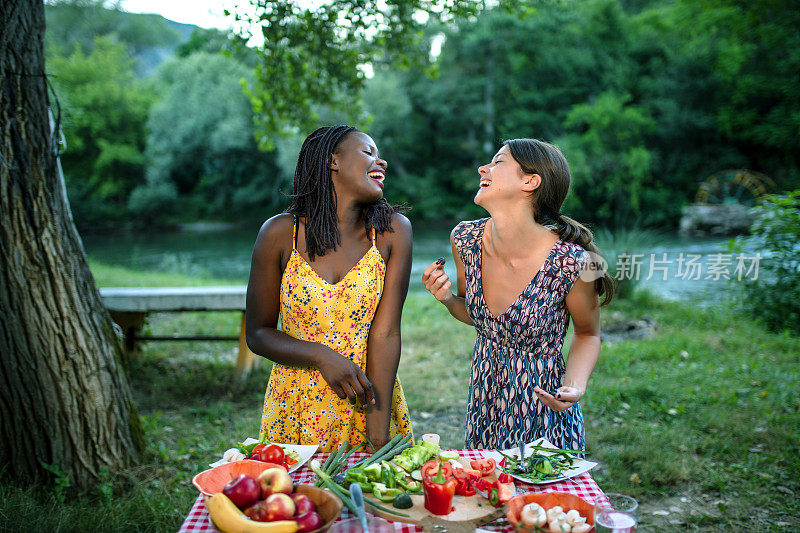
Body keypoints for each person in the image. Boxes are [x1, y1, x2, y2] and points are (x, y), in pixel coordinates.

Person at [421, 138, 613, 451]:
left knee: (541, 497)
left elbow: (588, 334)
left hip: (545, 409)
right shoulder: (465, 239)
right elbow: (476, 315)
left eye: (498, 161)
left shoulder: (575, 262)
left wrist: (575, 387)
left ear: (529, 181)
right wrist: (446, 300)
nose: (483, 167)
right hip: (485, 403)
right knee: (486, 495)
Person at [246, 125, 413, 452]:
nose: (382, 162)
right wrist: (321, 356)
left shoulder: (393, 232)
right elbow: (259, 333)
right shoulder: (280, 234)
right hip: (295, 405)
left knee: (373, 499)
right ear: (333, 161)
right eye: (369, 152)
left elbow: (387, 334)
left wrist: (377, 432)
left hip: (367, 399)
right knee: (300, 500)